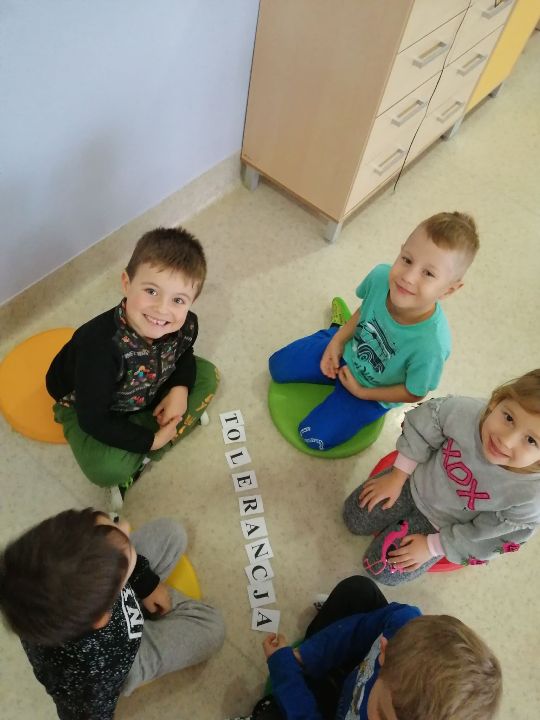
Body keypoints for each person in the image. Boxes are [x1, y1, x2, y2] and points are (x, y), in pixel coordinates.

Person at [269, 212, 479, 451]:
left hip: (371, 392)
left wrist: (362, 392)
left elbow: (414, 392)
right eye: (407, 259)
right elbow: (365, 310)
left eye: (428, 273)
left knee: (312, 437)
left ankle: (341, 346)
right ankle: (336, 328)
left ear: (449, 290)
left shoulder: (432, 346)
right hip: (348, 352)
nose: (408, 277)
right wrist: (337, 341)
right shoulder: (381, 277)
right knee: (277, 366)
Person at [0, 509, 225, 720]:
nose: (125, 525)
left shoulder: (29, 590)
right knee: (212, 630)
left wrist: (145, 582)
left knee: (171, 532)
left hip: (108, 596)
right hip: (126, 659)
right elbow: (87, 713)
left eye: (111, 522)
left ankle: (127, 566)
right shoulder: (91, 677)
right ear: (101, 617)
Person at [46, 226, 219, 498]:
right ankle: (154, 441)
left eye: (178, 300)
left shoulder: (187, 325)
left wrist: (179, 389)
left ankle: (145, 441)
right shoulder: (99, 348)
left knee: (208, 375)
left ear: (192, 302)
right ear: (127, 283)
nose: (162, 309)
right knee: (106, 470)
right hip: (86, 402)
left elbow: (184, 353)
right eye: (151, 291)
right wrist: (152, 440)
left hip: (148, 383)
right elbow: (93, 419)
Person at [343, 369, 540, 584]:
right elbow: (424, 426)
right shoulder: (464, 411)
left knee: (381, 570)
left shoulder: (531, 497)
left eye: (531, 440)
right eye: (509, 417)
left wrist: (432, 546)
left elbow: (491, 535)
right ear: (497, 401)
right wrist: (397, 476)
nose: (506, 441)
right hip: (411, 482)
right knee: (353, 518)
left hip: (442, 527)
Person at [230, 576, 501, 720]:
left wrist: (284, 669)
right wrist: (308, 655)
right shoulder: (403, 624)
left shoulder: (393, 687)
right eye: (382, 715)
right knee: (358, 591)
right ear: (385, 650)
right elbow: (358, 630)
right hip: (355, 678)